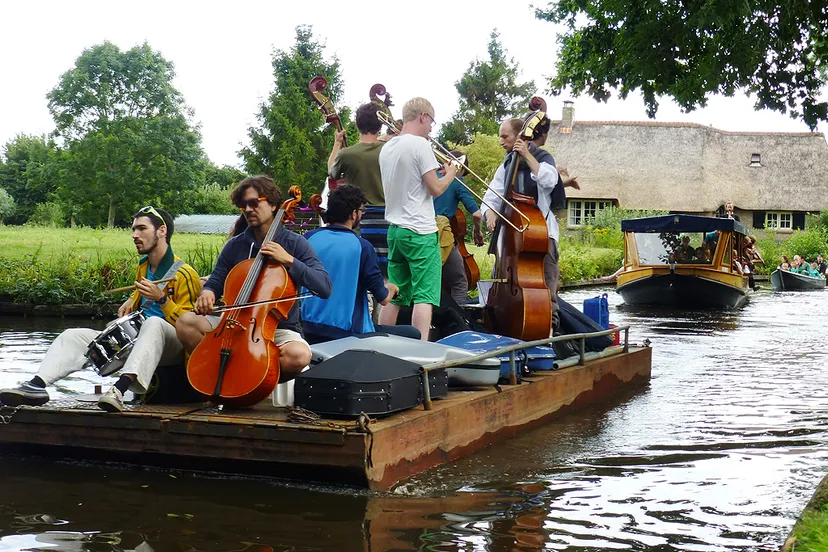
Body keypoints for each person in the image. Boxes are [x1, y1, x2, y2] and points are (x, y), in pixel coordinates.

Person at [0, 207, 201, 412]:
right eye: (133, 229)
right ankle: (37, 385)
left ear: (162, 231)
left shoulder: (184, 274)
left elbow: (189, 326)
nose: (134, 235)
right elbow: (143, 293)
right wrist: (131, 300)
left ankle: (119, 390)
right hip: (141, 342)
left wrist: (163, 300)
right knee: (73, 336)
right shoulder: (144, 267)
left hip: (173, 347)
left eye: (142, 228)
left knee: (153, 323)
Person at [176, 176, 332, 382]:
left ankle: (254, 381)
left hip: (279, 330)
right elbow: (217, 278)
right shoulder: (236, 245)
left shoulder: (295, 244)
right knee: (186, 323)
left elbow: (324, 286)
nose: (248, 210)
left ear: (274, 205)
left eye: (254, 203)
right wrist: (208, 292)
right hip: (232, 324)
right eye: (243, 205)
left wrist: (289, 261)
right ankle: (225, 378)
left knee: (299, 355)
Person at [481, 116, 580, 333]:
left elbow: (550, 181)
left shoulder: (544, 158)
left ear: (520, 137)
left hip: (540, 237)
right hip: (510, 240)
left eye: (505, 136)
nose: (500, 141)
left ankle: (548, 335)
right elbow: (491, 197)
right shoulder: (506, 164)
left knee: (546, 292)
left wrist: (526, 154)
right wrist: (490, 214)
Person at [377, 97, 456, 341]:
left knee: (395, 292)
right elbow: (435, 188)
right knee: (425, 295)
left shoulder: (388, 147)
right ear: (422, 116)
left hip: (395, 230)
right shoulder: (420, 145)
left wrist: (437, 173)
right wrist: (451, 174)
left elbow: (412, 181)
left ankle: (383, 343)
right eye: (431, 121)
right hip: (420, 231)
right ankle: (420, 351)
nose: (432, 127)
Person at [301, 185, 420, 343]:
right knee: (413, 333)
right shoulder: (362, 247)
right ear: (353, 214)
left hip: (307, 330)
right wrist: (392, 288)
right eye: (361, 210)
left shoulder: (308, 238)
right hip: (348, 334)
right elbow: (383, 298)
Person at [328, 102, 390, 276]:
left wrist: (337, 143)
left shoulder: (346, 154)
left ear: (357, 124)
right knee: (386, 279)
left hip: (359, 220)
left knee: (360, 273)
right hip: (388, 219)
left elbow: (331, 172)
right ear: (380, 125)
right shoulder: (390, 151)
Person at [433, 150, 485, 304]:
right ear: (460, 168)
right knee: (459, 282)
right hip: (442, 235)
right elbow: (477, 214)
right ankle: (459, 321)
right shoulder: (457, 182)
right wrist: (478, 231)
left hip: (421, 231)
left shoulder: (429, 176)